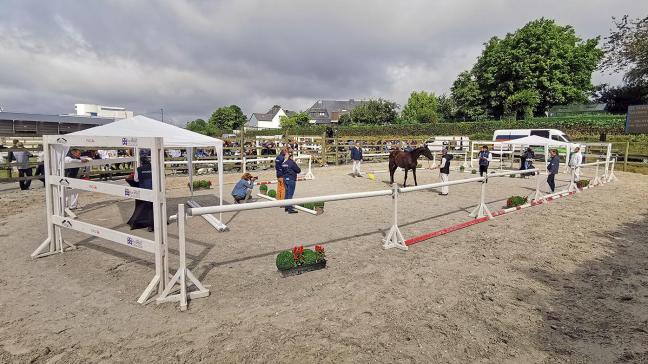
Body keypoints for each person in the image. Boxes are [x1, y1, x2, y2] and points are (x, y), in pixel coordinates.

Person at [127, 152, 154, 231]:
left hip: (144, 190)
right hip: (154, 189)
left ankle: (150, 225)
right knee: (153, 207)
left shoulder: (139, 169)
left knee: (148, 208)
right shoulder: (153, 168)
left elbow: (136, 179)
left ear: (141, 162)